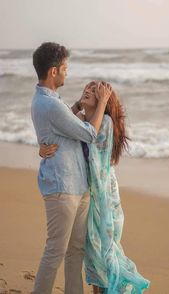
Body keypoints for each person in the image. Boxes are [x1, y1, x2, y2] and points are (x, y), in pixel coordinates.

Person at [40, 81, 150, 293]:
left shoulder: (105, 122)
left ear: (103, 101)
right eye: (86, 89)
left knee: (100, 250)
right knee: (90, 251)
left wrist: (103, 103)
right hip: (86, 192)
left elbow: (95, 161)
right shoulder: (80, 120)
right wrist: (42, 148)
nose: (88, 91)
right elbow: (59, 131)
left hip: (104, 194)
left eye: (94, 91)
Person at [31, 42, 112, 294]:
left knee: (75, 251)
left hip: (78, 187)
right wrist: (103, 102)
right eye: (65, 68)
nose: (67, 72)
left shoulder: (51, 102)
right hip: (63, 188)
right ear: (54, 71)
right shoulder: (50, 105)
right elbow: (88, 132)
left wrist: (78, 104)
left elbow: (66, 121)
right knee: (56, 251)